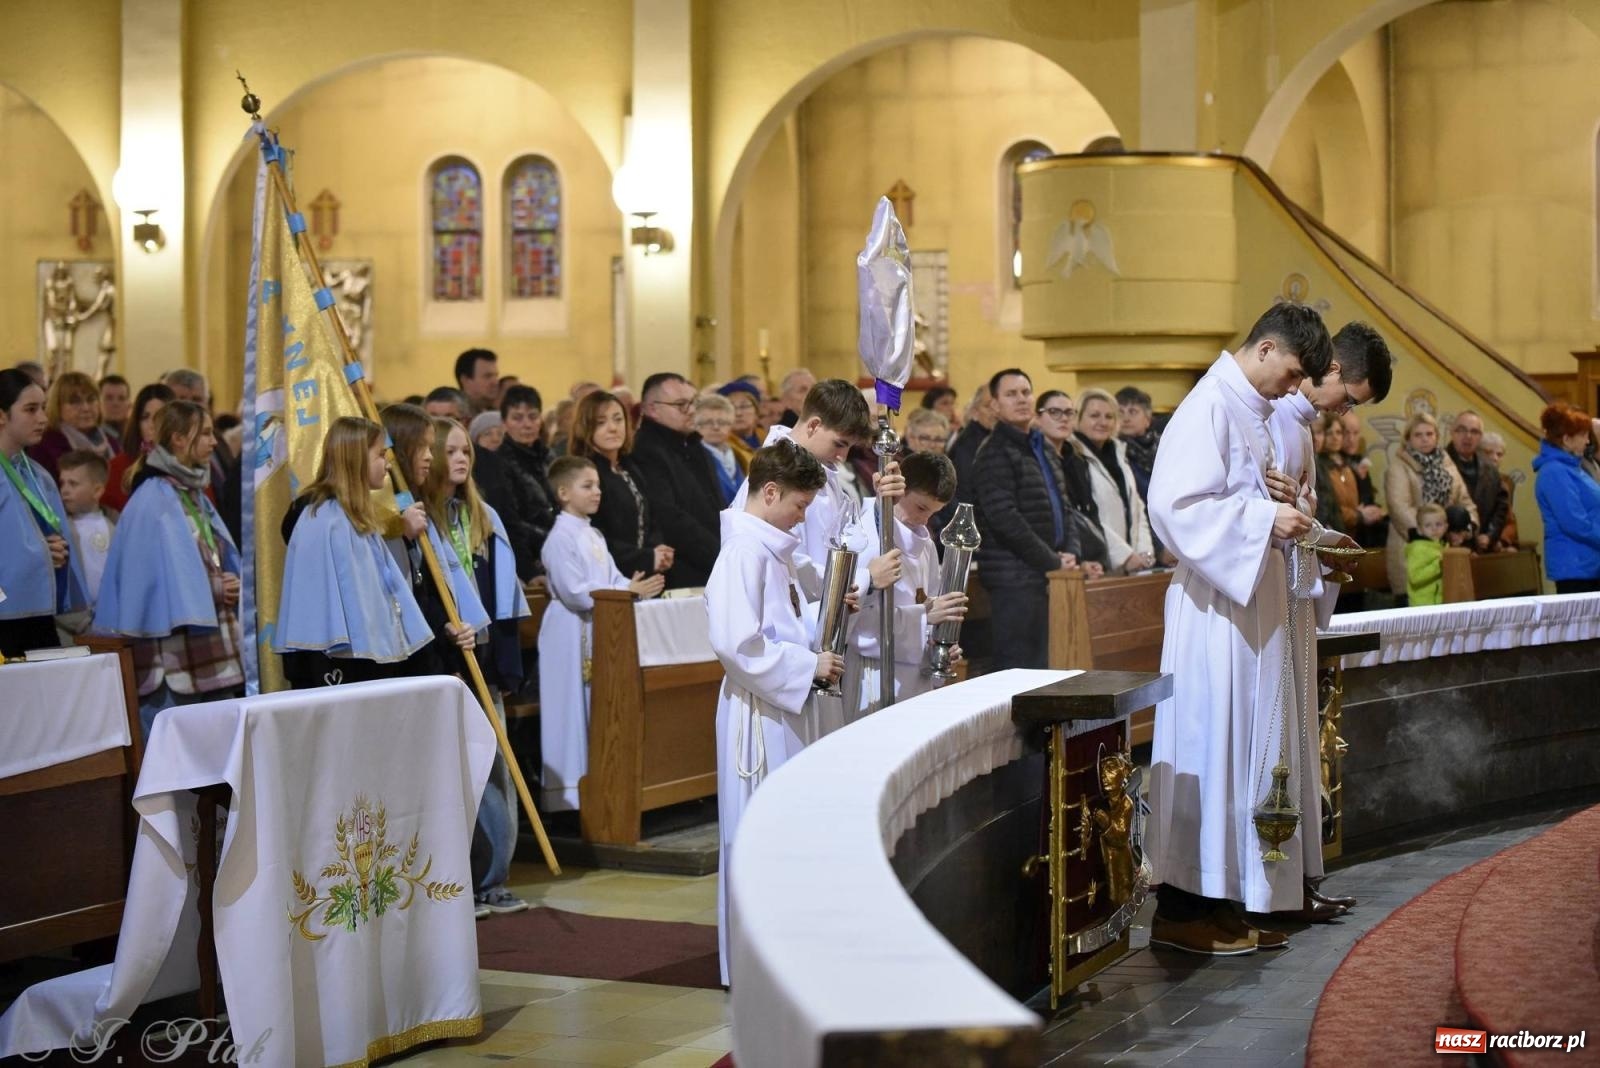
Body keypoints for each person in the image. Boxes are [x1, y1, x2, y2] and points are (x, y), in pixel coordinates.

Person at [1145, 302, 1333, 956]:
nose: (1293, 388)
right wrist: (1264, 522)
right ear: (1265, 348)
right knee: (1210, 744)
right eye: (1291, 372)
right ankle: (1183, 908)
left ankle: (1230, 899)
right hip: (1215, 612)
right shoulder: (1210, 407)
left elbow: (1245, 496)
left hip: (1253, 605)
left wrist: (1284, 511)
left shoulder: (1252, 410)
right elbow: (1175, 507)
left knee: (1246, 755)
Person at [706, 440, 832, 985]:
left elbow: (781, 628)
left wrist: (815, 641)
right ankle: (756, 964)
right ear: (771, 491)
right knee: (757, 831)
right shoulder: (744, 552)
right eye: (800, 506)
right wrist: (810, 666)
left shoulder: (768, 549)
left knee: (785, 829)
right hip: (758, 714)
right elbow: (738, 644)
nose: (803, 520)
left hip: (782, 702)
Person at [424, 416, 531, 918]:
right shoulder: (423, 518)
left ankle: (493, 878)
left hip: (485, 661)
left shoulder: (481, 515)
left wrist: (507, 666)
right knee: (447, 774)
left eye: (466, 450)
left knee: (493, 770)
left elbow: (502, 596)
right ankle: (455, 879)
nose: (461, 459)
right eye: (449, 452)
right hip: (447, 662)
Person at [94, 401, 244, 736]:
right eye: (204, 433)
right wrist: (217, 588)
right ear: (178, 439)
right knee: (175, 768)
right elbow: (150, 584)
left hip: (204, 655)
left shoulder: (189, 491)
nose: (214, 441)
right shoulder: (154, 499)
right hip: (171, 663)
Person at [539, 456, 664, 812]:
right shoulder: (559, 539)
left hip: (598, 628)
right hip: (569, 632)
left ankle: (596, 789)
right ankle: (567, 797)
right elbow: (577, 592)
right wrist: (628, 592)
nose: (597, 492)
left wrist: (633, 586)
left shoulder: (591, 533)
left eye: (597, 485)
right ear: (563, 493)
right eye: (587, 486)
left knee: (592, 710)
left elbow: (609, 580)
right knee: (570, 713)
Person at [274, 416, 434, 687]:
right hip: (337, 661)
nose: (388, 463)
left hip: (365, 658)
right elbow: (319, 602)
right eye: (381, 455)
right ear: (356, 457)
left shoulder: (354, 515)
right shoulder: (324, 518)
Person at [729, 378, 888, 599]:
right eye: (840, 444)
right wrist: (862, 578)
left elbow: (846, 538)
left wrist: (885, 504)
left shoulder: (821, 468)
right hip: (788, 618)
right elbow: (787, 561)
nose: (843, 457)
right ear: (813, 425)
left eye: (850, 447)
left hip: (822, 608)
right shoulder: (776, 473)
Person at [973, 369, 1084, 671]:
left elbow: (1064, 505)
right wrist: (1052, 560)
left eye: (1025, 392)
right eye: (1011, 394)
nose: (1021, 399)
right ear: (994, 405)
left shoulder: (1041, 447)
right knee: (1020, 670)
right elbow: (1006, 520)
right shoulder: (993, 453)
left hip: (1048, 575)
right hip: (1015, 581)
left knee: (1052, 666)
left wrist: (1071, 553)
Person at [845, 451, 967, 720]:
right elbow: (857, 625)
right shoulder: (866, 539)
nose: (925, 520)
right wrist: (925, 617)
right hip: (875, 678)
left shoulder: (924, 545)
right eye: (921, 508)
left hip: (914, 679)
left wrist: (938, 644)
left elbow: (930, 602)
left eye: (934, 513)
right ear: (900, 489)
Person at [0, 369, 89, 656]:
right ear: (1, 415)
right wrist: (40, 553)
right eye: (30, 409)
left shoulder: (38, 476)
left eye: (42, 408)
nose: (42, 418)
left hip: (39, 615)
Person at [632, 372, 725, 589]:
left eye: (694, 402)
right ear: (652, 409)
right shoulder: (645, 450)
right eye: (682, 405)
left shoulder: (694, 445)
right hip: (680, 573)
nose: (692, 411)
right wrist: (718, 554)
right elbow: (669, 517)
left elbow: (716, 504)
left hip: (712, 564)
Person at [570, 390, 675, 581]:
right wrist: (646, 557)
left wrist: (657, 549)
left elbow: (650, 517)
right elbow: (593, 536)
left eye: (618, 419)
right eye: (601, 422)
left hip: (643, 574)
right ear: (585, 428)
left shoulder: (629, 466)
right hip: (606, 579)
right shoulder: (585, 474)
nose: (613, 428)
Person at [1384, 411, 1477, 600]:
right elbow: (1399, 508)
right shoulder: (1399, 466)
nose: (1424, 439)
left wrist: (1468, 528)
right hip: (1413, 551)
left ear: (1437, 436)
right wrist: (1436, 529)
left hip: (1447, 553)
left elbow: (1465, 501)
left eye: (1429, 434)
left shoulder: (1447, 464)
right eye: (1418, 435)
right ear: (1408, 438)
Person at [1075, 388, 1156, 574]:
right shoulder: (1074, 458)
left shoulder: (1118, 454)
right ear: (1078, 418)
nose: (1103, 422)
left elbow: (1137, 508)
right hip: (1099, 563)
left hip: (1132, 565)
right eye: (1094, 415)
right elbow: (1087, 516)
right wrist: (1124, 556)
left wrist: (1145, 553)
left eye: (1109, 416)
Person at [1036, 390, 1111, 573]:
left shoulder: (1077, 460)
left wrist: (1098, 559)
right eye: (1054, 412)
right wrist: (1076, 560)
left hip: (1086, 556)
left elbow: (1090, 512)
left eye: (1069, 413)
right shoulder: (1034, 460)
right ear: (1038, 417)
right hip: (1054, 562)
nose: (1063, 418)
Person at [1532, 403, 1600, 593]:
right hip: (1575, 567)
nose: (1588, 442)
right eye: (1584, 435)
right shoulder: (1554, 472)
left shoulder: (1573, 468)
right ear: (1567, 439)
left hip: (1588, 564)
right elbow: (1575, 522)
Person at [56, 450, 116, 627]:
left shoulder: (115, 529)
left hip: (110, 620)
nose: (65, 490)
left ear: (97, 491)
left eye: (73, 484)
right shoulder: (59, 530)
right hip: (70, 624)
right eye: (62, 483)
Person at [29, 371, 118, 479]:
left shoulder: (112, 443)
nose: (86, 408)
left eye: (91, 399)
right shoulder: (45, 445)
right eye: (75, 401)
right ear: (58, 406)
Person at [1445, 410, 1509, 553]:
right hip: (1448, 548)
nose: (1468, 436)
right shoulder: (1438, 463)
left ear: (1480, 437)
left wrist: (1490, 535)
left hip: (1482, 548)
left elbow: (1501, 507)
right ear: (1452, 432)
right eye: (1462, 430)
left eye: (1474, 432)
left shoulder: (1490, 469)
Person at [104, 383, 174, 513]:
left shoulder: (189, 466)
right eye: (145, 417)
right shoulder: (118, 467)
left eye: (160, 416)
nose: (152, 425)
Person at [1339, 410, 1387, 547]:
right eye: (1346, 433)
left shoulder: (1359, 461)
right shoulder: (1332, 464)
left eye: (1356, 433)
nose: (1352, 439)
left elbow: (1368, 498)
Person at [948, 382, 995, 504]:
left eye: (998, 404)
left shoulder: (997, 437)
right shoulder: (968, 443)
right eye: (988, 406)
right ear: (974, 412)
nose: (995, 411)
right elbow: (965, 492)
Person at [695, 394, 745, 506]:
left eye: (722, 422)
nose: (716, 427)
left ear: (731, 426)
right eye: (708, 422)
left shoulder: (741, 455)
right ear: (696, 425)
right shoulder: (692, 458)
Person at [1115, 386, 1160, 503]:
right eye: (1120, 412)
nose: (1125, 418)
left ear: (1148, 419)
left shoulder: (1164, 448)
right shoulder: (1113, 451)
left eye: (1132, 412)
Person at [1318, 414, 1360, 533]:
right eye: (1329, 433)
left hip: (1353, 531)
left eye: (1338, 432)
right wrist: (1358, 516)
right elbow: (1330, 507)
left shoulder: (1348, 466)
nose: (1335, 437)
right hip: (1332, 531)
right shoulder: (1320, 466)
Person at [1479, 431, 1519, 547]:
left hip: (1496, 541)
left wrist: (1502, 540)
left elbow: (1509, 522)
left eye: (1499, 454)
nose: (1494, 458)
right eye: (1488, 452)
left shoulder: (1504, 482)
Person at [1405, 503, 1450, 607]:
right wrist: (1439, 565)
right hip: (1423, 604)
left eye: (1438, 524)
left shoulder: (1444, 545)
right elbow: (1415, 578)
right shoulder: (1417, 549)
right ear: (1420, 530)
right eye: (1428, 525)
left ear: (1446, 526)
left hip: (1440, 602)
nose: (1434, 529)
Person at [717, 380, 764, 459]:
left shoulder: (768, 439)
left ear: (756, 411)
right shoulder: (720, 445)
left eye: (744, 406)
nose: (738, 413)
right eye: (731, 408)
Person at [454, 348, 500, 416]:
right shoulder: (451, 416)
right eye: (487, 376)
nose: (496, 382)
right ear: (465, 380)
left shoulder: (498, 416)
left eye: (496, 376)